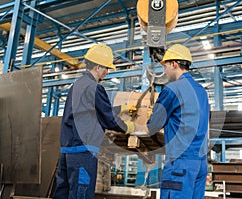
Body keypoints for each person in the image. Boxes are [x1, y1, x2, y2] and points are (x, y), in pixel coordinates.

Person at [53, 44, 135, 199]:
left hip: (66, 152)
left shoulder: (77, 86)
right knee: (80, 194)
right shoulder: (95, 88)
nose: (107, 72)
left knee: (62, 193)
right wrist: (127, 127)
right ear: (98, 67)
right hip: (83, 153)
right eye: (106, 68)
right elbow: (108, 119)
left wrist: (121, 108)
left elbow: (92, 111)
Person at [146, 44, 210, 199]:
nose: (165, 71)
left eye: (166, 66)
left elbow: (153, 126)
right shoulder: (202, 91)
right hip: (200, 164)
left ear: (174, 64)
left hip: (180, 165)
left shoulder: (172, 89)